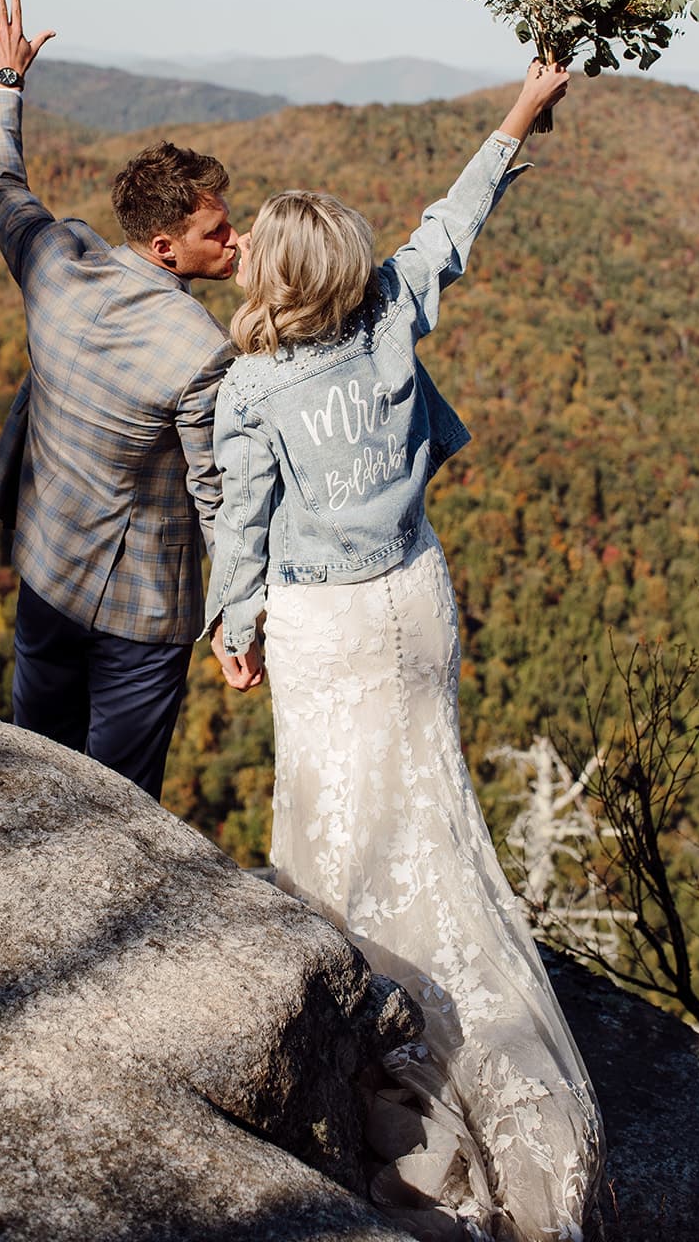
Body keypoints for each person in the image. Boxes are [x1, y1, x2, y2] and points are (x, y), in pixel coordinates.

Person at [206, 60, 603, 1241]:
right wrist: (519, 113)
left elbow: (240, 523)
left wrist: (235, 630)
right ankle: (490, 1054)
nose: (242, 251)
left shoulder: (249, 387)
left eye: (256, 245)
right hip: (417, 602)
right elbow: (451, 224)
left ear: (277, 278)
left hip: (327, 625)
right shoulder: (387, 310)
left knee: (336, 827)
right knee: (429, 815)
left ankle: (367, 1038)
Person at [0, 0, 261, 800]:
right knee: (117, 804)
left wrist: (6, 86)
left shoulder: (54, 265)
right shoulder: (201, 350)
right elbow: (214, 495)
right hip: (141, 614)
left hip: (46, 573)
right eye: (216, 233)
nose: (234, 239)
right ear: (164, 246)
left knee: (35, 777)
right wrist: (233, 617)